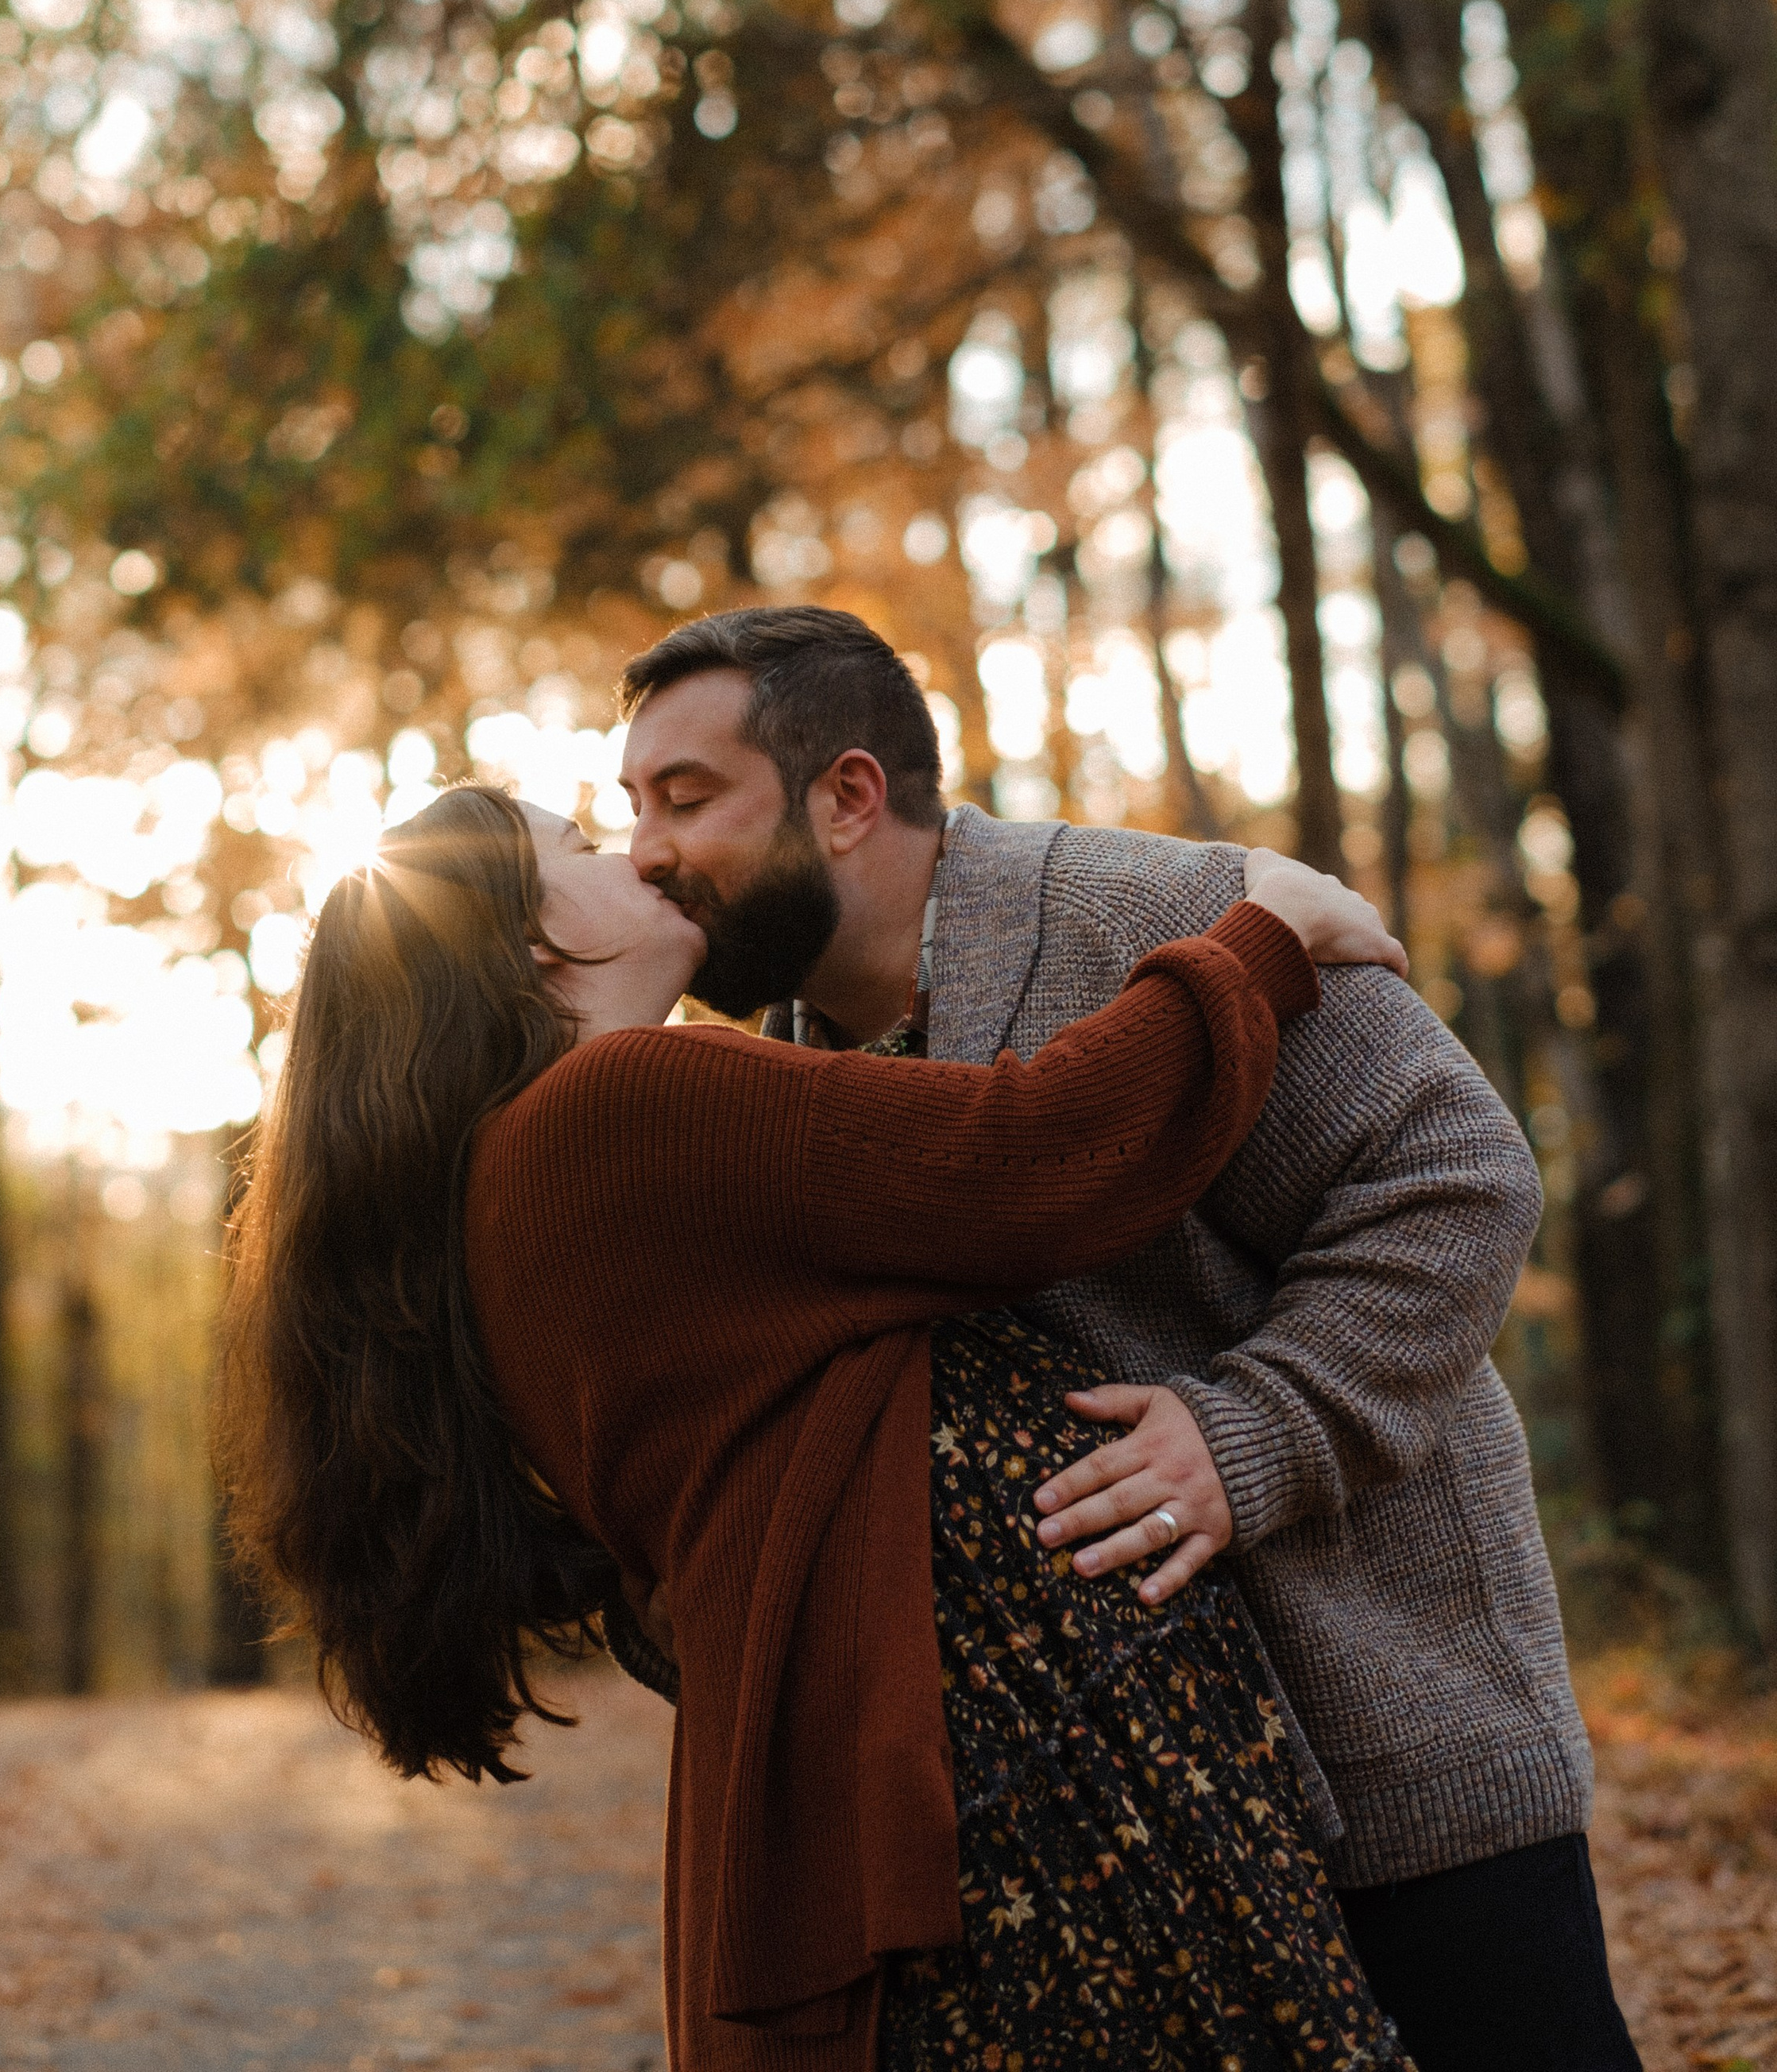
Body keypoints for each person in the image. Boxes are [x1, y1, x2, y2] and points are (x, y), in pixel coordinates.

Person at [218, 779, 1418, 2072]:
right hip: (1005, 1760)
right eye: (585, 846)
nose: (640, 857)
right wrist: (1257, 945)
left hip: (941, 1753)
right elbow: (1023, 1158)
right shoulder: (612, 1103)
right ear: (527, 939)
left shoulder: (506, 1189)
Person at [614, 605, 1644, 2072]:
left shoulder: (1164, 919)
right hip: (1125, 1841)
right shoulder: (783, 1078)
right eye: (633, 807)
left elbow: (1456, 1171)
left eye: (685, 798)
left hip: (1389, 1751)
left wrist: (1254, 1428)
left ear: (846, 797)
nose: (645, 851)